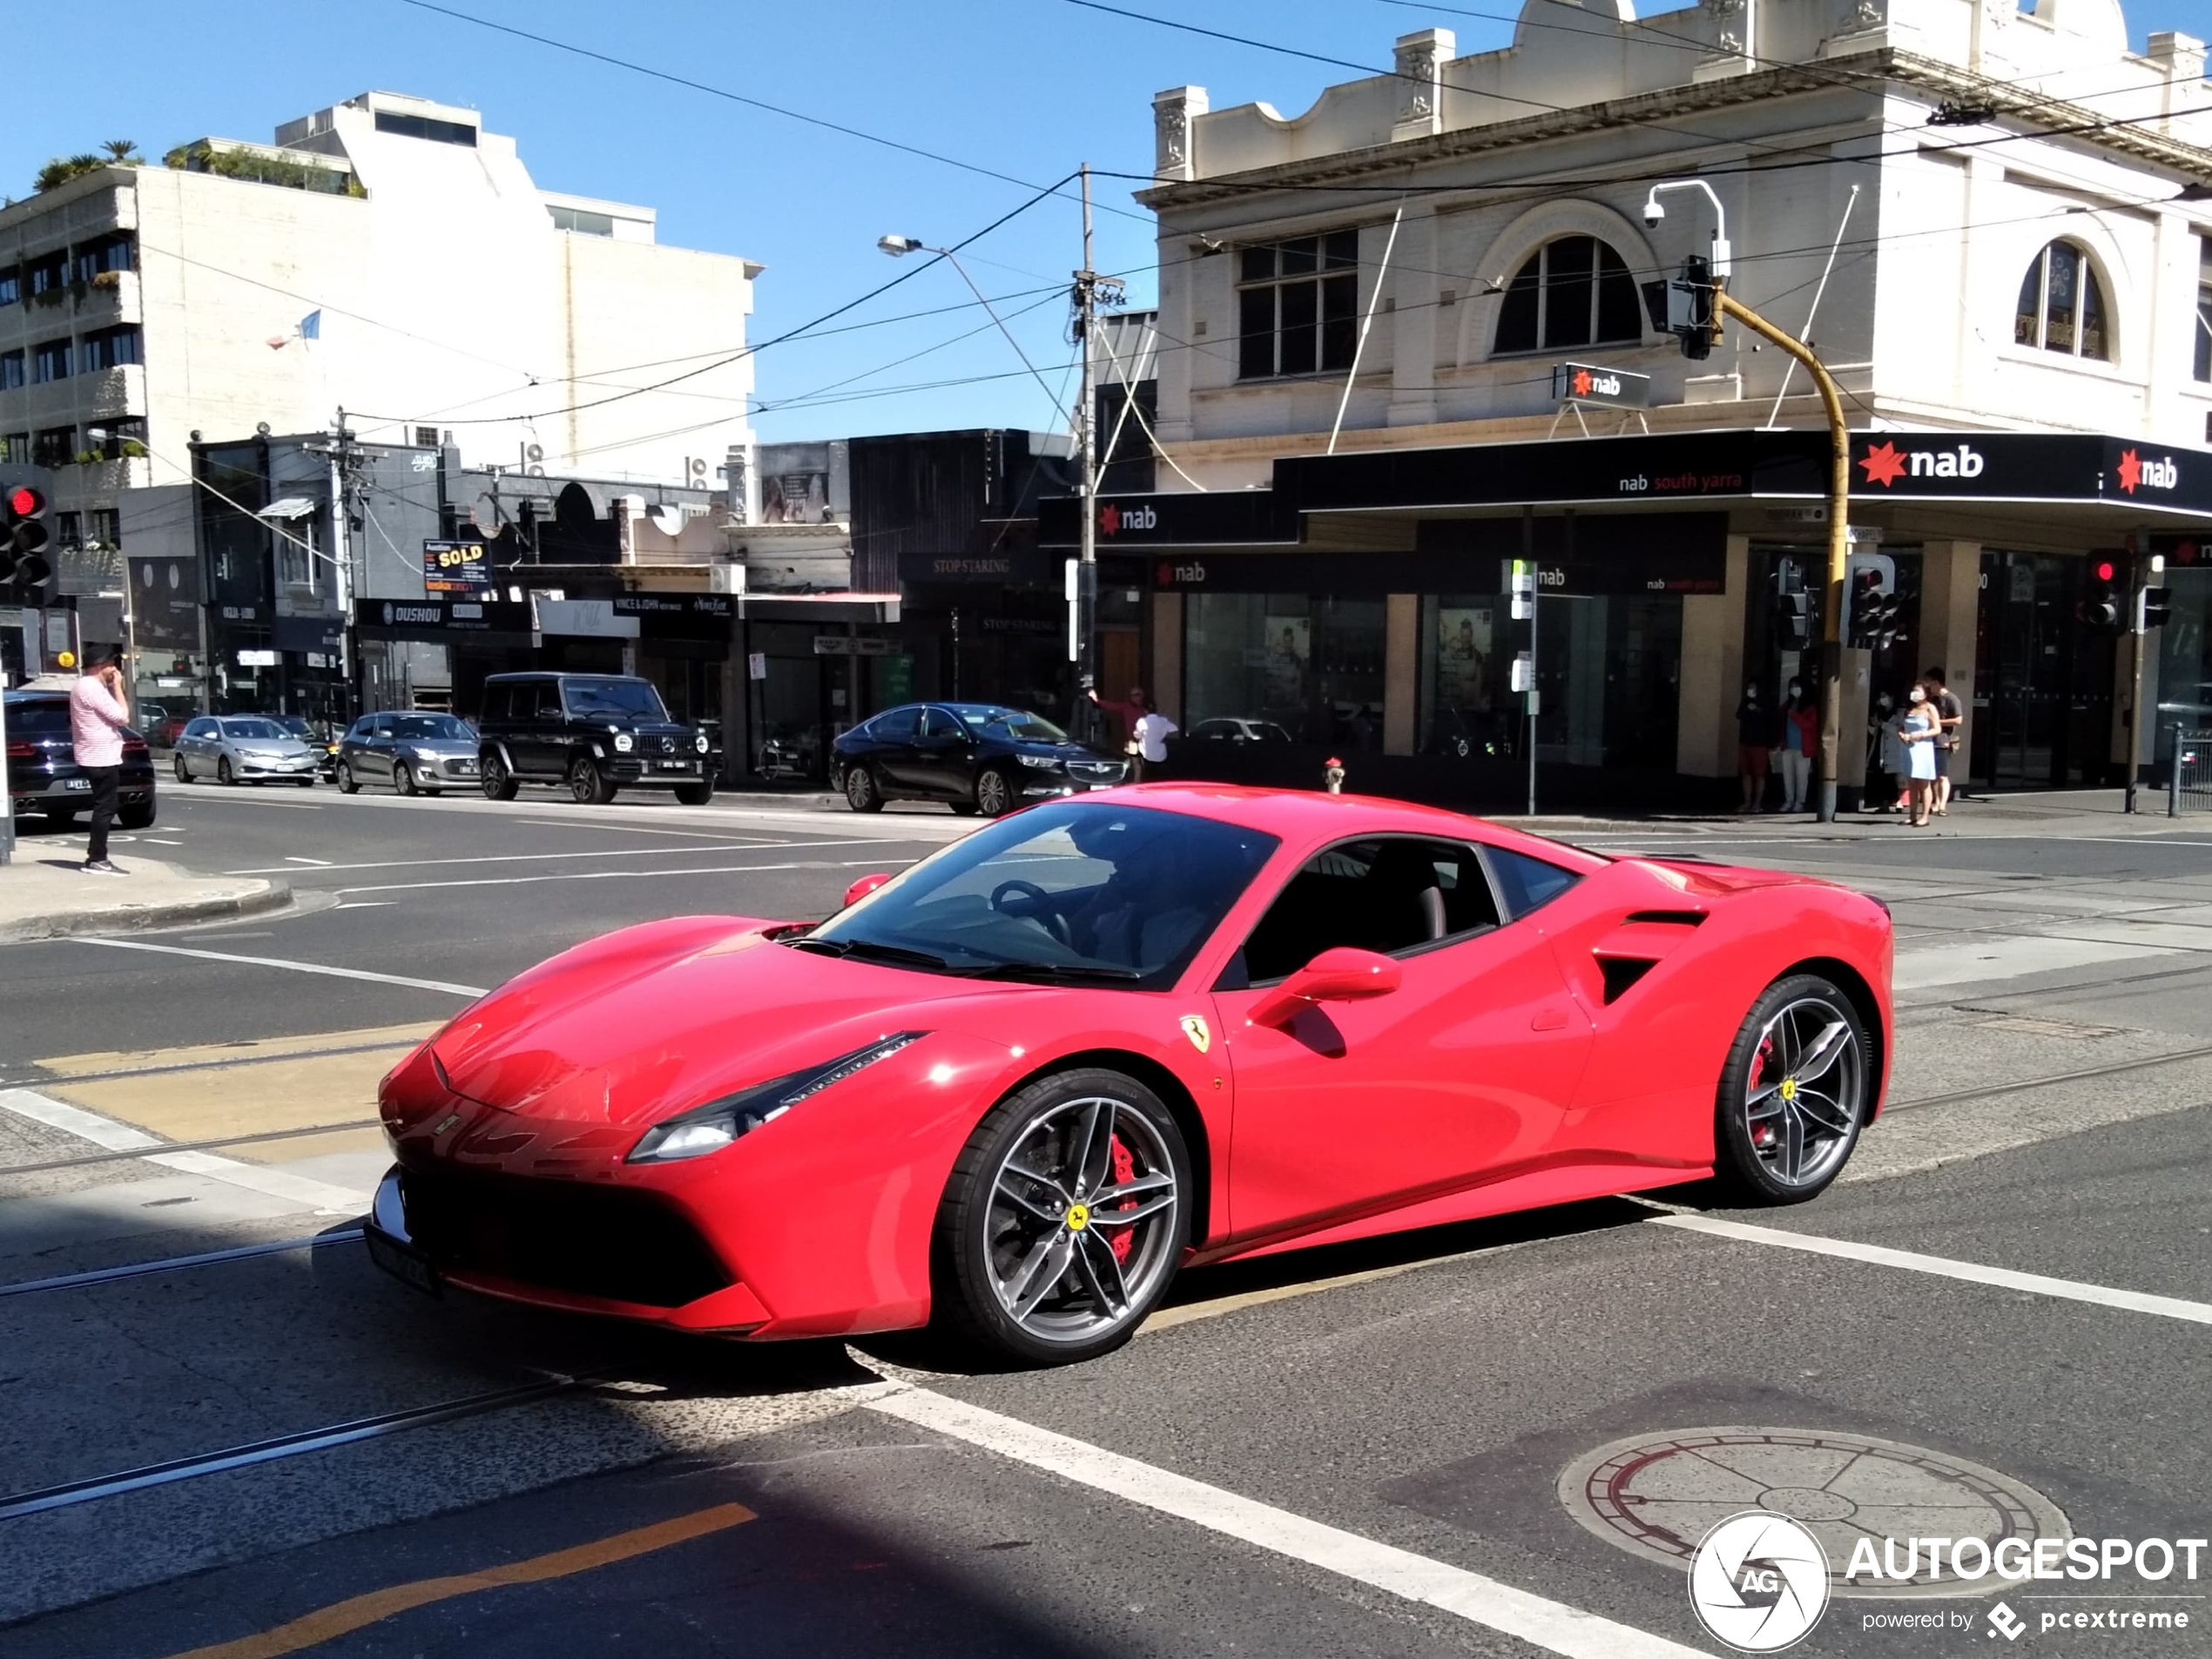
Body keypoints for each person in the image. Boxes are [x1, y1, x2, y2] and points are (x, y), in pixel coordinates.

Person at [70, 652, 132, 875]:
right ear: (101, 666)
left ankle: (96, 856)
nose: (114, 672)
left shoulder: (81, 686)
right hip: (100, 756)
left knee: (105, 805)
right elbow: (122, 717)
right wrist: (118, 687)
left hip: (93, 754)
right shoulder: (92, 688)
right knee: (106, 807)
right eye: (112, 667)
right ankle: (97, 858)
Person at [1087, 684, 1177, 782]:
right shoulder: (1126, 707)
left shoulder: (1147, 709)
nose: (1135, 697)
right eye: (1133, 695)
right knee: (1136, 767)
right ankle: (1136, 787)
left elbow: (1158, 722)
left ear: (1142, 695)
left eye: (1138, 694)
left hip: (1148, 742)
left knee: (1147, 766)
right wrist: (1097, 700)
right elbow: (1112, 706)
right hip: (1132, 742)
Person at [1924, 664, 1966, 812]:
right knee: (1932, 775)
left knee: (1942, 775)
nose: (1927, 685)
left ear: (1936, 682)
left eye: (1929, 682)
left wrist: (1937, 722)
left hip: (1943, 740)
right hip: (1930, 740)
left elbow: (1958, 720)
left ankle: (1942, 805)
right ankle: (1935, 802)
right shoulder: (1932, 699)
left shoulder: (1951, 699)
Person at [1900, 681, 1941, 826]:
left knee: (1924, 783)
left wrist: (1921, 735)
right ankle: (1912, 815)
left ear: (1926, 694)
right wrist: (1902, 735)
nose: (1914, 693)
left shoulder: (1930, 708)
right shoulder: (1909, 708)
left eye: (1918, 691)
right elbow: (1902, 726)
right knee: (1911, 784)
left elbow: (1937, 729)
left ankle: (1924, 817)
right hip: (1909, 748)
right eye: (1913, 690)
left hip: (1923, 748)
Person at [1777, 678, 1819, 813]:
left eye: (1797, 686)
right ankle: (1788, 800)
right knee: (1788, 776)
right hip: (1788, 746)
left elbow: (1809, 725)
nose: (1794, 689)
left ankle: (1800, 802)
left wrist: (1794, 715)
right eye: (1792, 687)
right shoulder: (1787, 705)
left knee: (1802, 777)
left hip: (1803, 748)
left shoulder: (1811, 707)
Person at [1735, 680, 1777, 813]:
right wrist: (1747, 707)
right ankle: (1747, 802)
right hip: (1745, 742)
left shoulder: (1766, 703)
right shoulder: (1745, 701)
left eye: (1753, 688)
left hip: (1760, 744)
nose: (1750, 691)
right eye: (1749, 688)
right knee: (1746, 773)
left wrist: (1757, 709)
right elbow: (1738, 715)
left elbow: (1770, 720)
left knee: (1760, 774)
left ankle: (1757, 804)